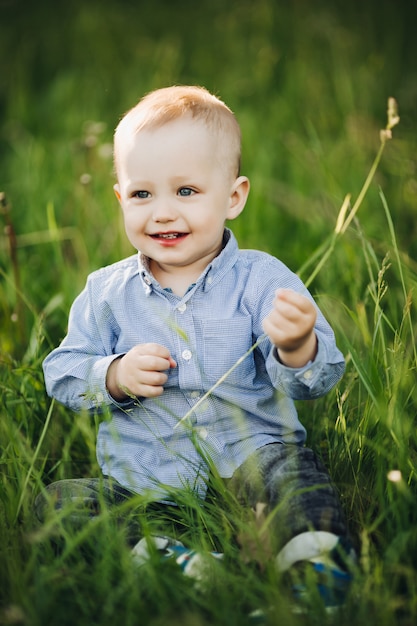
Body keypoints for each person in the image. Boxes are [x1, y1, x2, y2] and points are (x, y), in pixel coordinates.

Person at [37, 85, 355, 607]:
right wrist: (113, 375)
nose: (162, 212)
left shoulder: (260, 279)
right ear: (120, 198)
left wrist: (297, 346)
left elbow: (318, 380)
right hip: (148, 484)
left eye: (186, 191)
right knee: (62, 504)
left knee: (294, 479)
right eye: (143, 195)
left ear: (233, 197)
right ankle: (180, 563)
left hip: (255, 464)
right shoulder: (106, 292)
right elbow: (62, 372)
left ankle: (311, 568)